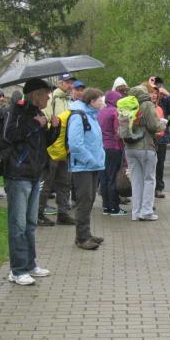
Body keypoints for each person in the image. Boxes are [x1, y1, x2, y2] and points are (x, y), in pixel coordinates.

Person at [2, 78, 60, 285]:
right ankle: (17, 270)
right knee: (18, 224)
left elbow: (43, 142)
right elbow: (9, 135)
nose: (48, 98)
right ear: (35, 95)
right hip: (18, 175)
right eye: (46, 95)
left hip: (35, 174)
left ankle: (29, 264)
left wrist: (55, 128)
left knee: (30, 223)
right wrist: (35, 124)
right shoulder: (15, 112)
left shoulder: (38, 113)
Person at [67, 88, 106, 249]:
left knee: (89, 200)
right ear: (91, 101)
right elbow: (75, 144)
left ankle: (86, 234)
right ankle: (82, 238)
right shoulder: (78, 116)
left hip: (93, 165)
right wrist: (90, 159)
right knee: (84, 201)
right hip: (83, 166)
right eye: (100, 99)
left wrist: (99, 158)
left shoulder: (92, 116)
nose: (102, 102)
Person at [124, 82, 166, 221]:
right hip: (145, 146)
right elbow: (154, 126)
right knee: (149, 179)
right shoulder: (147, 105)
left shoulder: (127, 105)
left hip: (129, 147)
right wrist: (163, 124)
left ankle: (136, 213)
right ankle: (146, 212)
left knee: (136, 181)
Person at [38, 73, 75, 226]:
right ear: (60, 83)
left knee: (64, 183)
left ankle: (63, 213)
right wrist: (51, 123)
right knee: (47, 183)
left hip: (65, 148)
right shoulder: (52, 99)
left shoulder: (69, 100)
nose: (70, 85)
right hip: (52, 147)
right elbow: (44, 118)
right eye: (67, 82)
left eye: (71, 82)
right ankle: (39, 213)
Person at [98, 90, 127, 216]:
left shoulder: (100, 112)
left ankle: (106, 206)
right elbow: (118, 132)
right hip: (113, 147)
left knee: (104, 177)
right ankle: (114, 207)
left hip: (101, 147)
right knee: (113, 177)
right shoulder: (115, 112)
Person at [151, 76, 170, 199]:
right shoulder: (146, 100)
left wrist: (168, 94)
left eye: (159, 85)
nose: (157, 89)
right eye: (155, 86)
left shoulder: (164, 101)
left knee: (159, 163)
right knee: (148, 164)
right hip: (148, 137)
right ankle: (148, 188)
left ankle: (158, 188)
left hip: (161, 138)